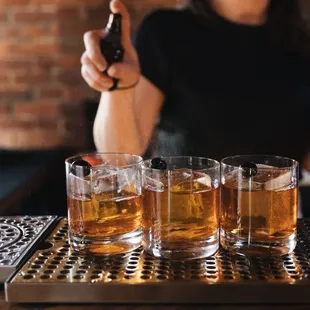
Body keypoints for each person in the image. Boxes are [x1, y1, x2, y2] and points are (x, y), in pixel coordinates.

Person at [81, 0, 310, 166]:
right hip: (186, 221)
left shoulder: (302, 42)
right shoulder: (166, 32)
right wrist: (118, 87)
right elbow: (119, 157)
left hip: (276, 222)